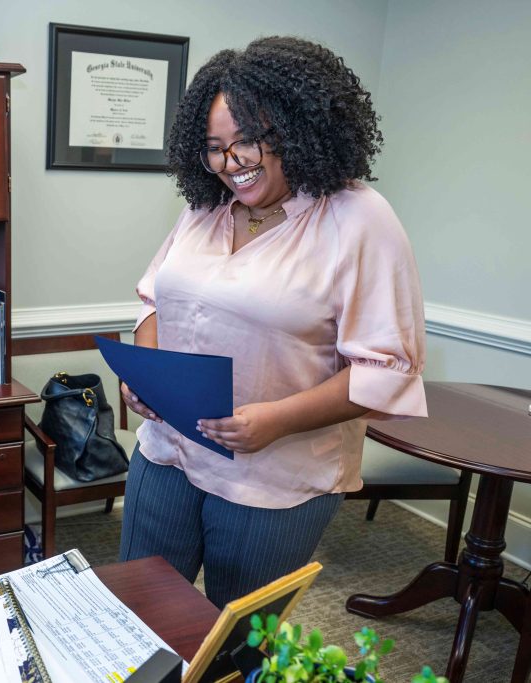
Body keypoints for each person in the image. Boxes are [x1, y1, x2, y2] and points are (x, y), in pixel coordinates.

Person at [118, 36, 427, 608]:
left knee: (238, 642)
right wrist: (145, 371)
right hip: (168, 451)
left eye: (249, 142)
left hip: (274, 476)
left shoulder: (359, 220)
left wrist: (276, 421)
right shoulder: (205, 209)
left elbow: (387, 368)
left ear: (298, 129)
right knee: (139, 611)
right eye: (214, 148)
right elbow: (153, 301)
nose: (231, 164)